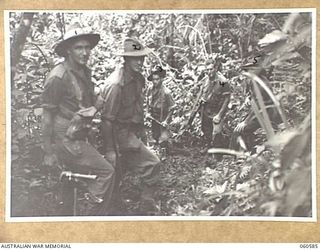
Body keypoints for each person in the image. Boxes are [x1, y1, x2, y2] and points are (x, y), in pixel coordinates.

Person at [41, 23, 115, 216]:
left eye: (87, 47)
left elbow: (85, 102)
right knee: (106, 172)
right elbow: (47, 117)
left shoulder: (83, 71)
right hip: (66, 138)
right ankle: (91, 219)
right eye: (78, 48)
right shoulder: (57, 77)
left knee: (74, 181)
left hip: (79, 132)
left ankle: (68, 212)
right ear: (68, 50)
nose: (85, 52)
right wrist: (48, 152)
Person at [100, 38, 161, 214]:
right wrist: (111, 150)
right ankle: (119, 210)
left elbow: (138, 108)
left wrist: (142, 133)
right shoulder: (116, 84)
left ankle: (143, 206)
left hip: (129, 132)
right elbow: (106, 120)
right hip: (116, 134)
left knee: (130, 170)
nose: (140, 62)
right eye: (135, 59)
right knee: (150, 164)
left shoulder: (138, 79)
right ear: (126, 59)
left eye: (142, 58)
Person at [200, 56, 231, 154]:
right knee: (206, 130)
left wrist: (219, 115)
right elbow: (203, 93)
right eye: (207, 70)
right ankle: (209, 147)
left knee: (217, 133)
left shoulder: (222, 81)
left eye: (211, 69)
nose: (209, 72)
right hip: (206, 110)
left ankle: (218, 154)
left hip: (217, 111)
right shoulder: (206, 80)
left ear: (215, 68)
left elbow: (227, 99)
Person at [147, 67, 175, 147]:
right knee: (154, 138)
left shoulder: (166, 92)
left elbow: (172, 108)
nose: (155, 81)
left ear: (162, 79)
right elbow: (147, 102)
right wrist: (147, 113)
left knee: (163, 142)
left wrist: (166, 121)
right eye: (153, 79)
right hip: (154, 118)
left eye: (157, 79)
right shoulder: (150, 89)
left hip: (163, 118)